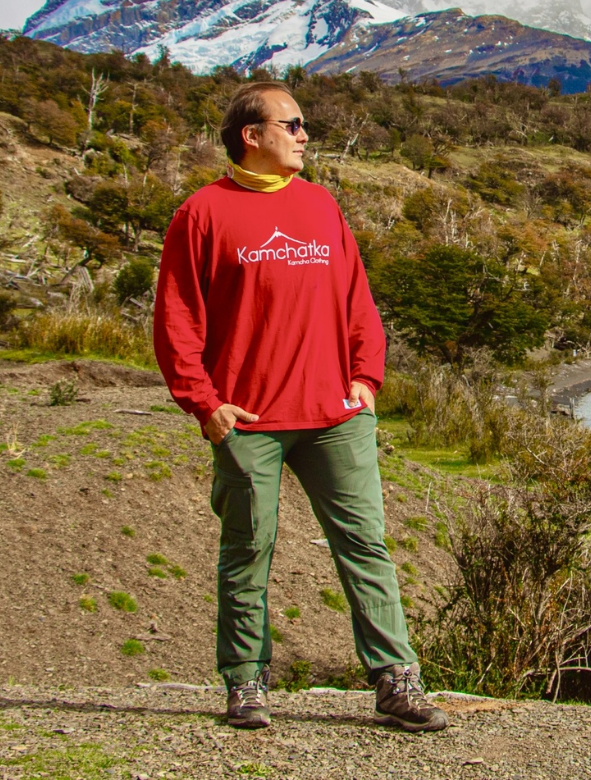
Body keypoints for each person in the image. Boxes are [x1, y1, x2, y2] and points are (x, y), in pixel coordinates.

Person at [153, 80, 447, 732]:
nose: (304, 134)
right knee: (247, 550)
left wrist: (366, 380)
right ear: (251, 136)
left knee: (364, 546)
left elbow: (357, 303)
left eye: (303, 124)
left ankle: (397, 683)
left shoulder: (321, 207)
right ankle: (245, 684)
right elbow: (176, 320)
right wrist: (205, 405)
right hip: (248, 420)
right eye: (293, 123)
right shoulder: (201, 214)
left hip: (335, 416)